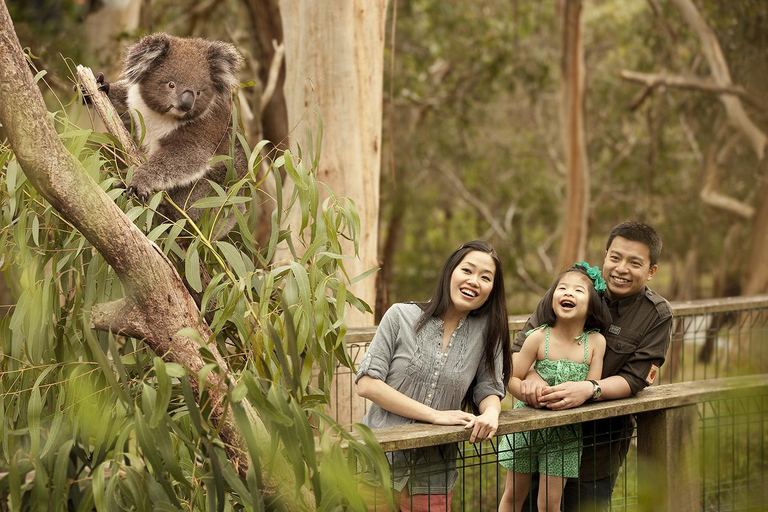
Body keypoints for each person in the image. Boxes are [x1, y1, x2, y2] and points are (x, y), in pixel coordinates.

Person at [512, 221, 673, 511]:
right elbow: (521, 347)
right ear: (605, 256)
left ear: (651, 271)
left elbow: (636, 378)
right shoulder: (571, 290)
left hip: (598, 446)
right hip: (538, 433)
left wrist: (589, 389)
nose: (621, 268)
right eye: (615, 257)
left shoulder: (656, 314)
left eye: (634, 262)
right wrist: (533, 378)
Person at [355, 240, 511, 511]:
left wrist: (491, 414)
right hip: (377, 465)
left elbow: (489, 388)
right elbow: (367, 384)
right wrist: (435, 415)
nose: (474, 281)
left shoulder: (487, 332)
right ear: (450, 272)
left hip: (434, 475)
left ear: (491, 291)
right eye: (467, 270)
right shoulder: (400, 316)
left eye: (485, 277)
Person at [498, 263, 611, 512]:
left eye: (578, 290)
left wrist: (581, 395)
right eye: (562, 288)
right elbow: (511, 377)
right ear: (552, 298)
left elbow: (592, 387)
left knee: (550, 504)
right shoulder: (538, 337)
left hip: (566, 435)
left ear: (592, 304)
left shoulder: (596, 343)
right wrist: (526, 392)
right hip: (525, 429)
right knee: (513, 496)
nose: (568, 293)